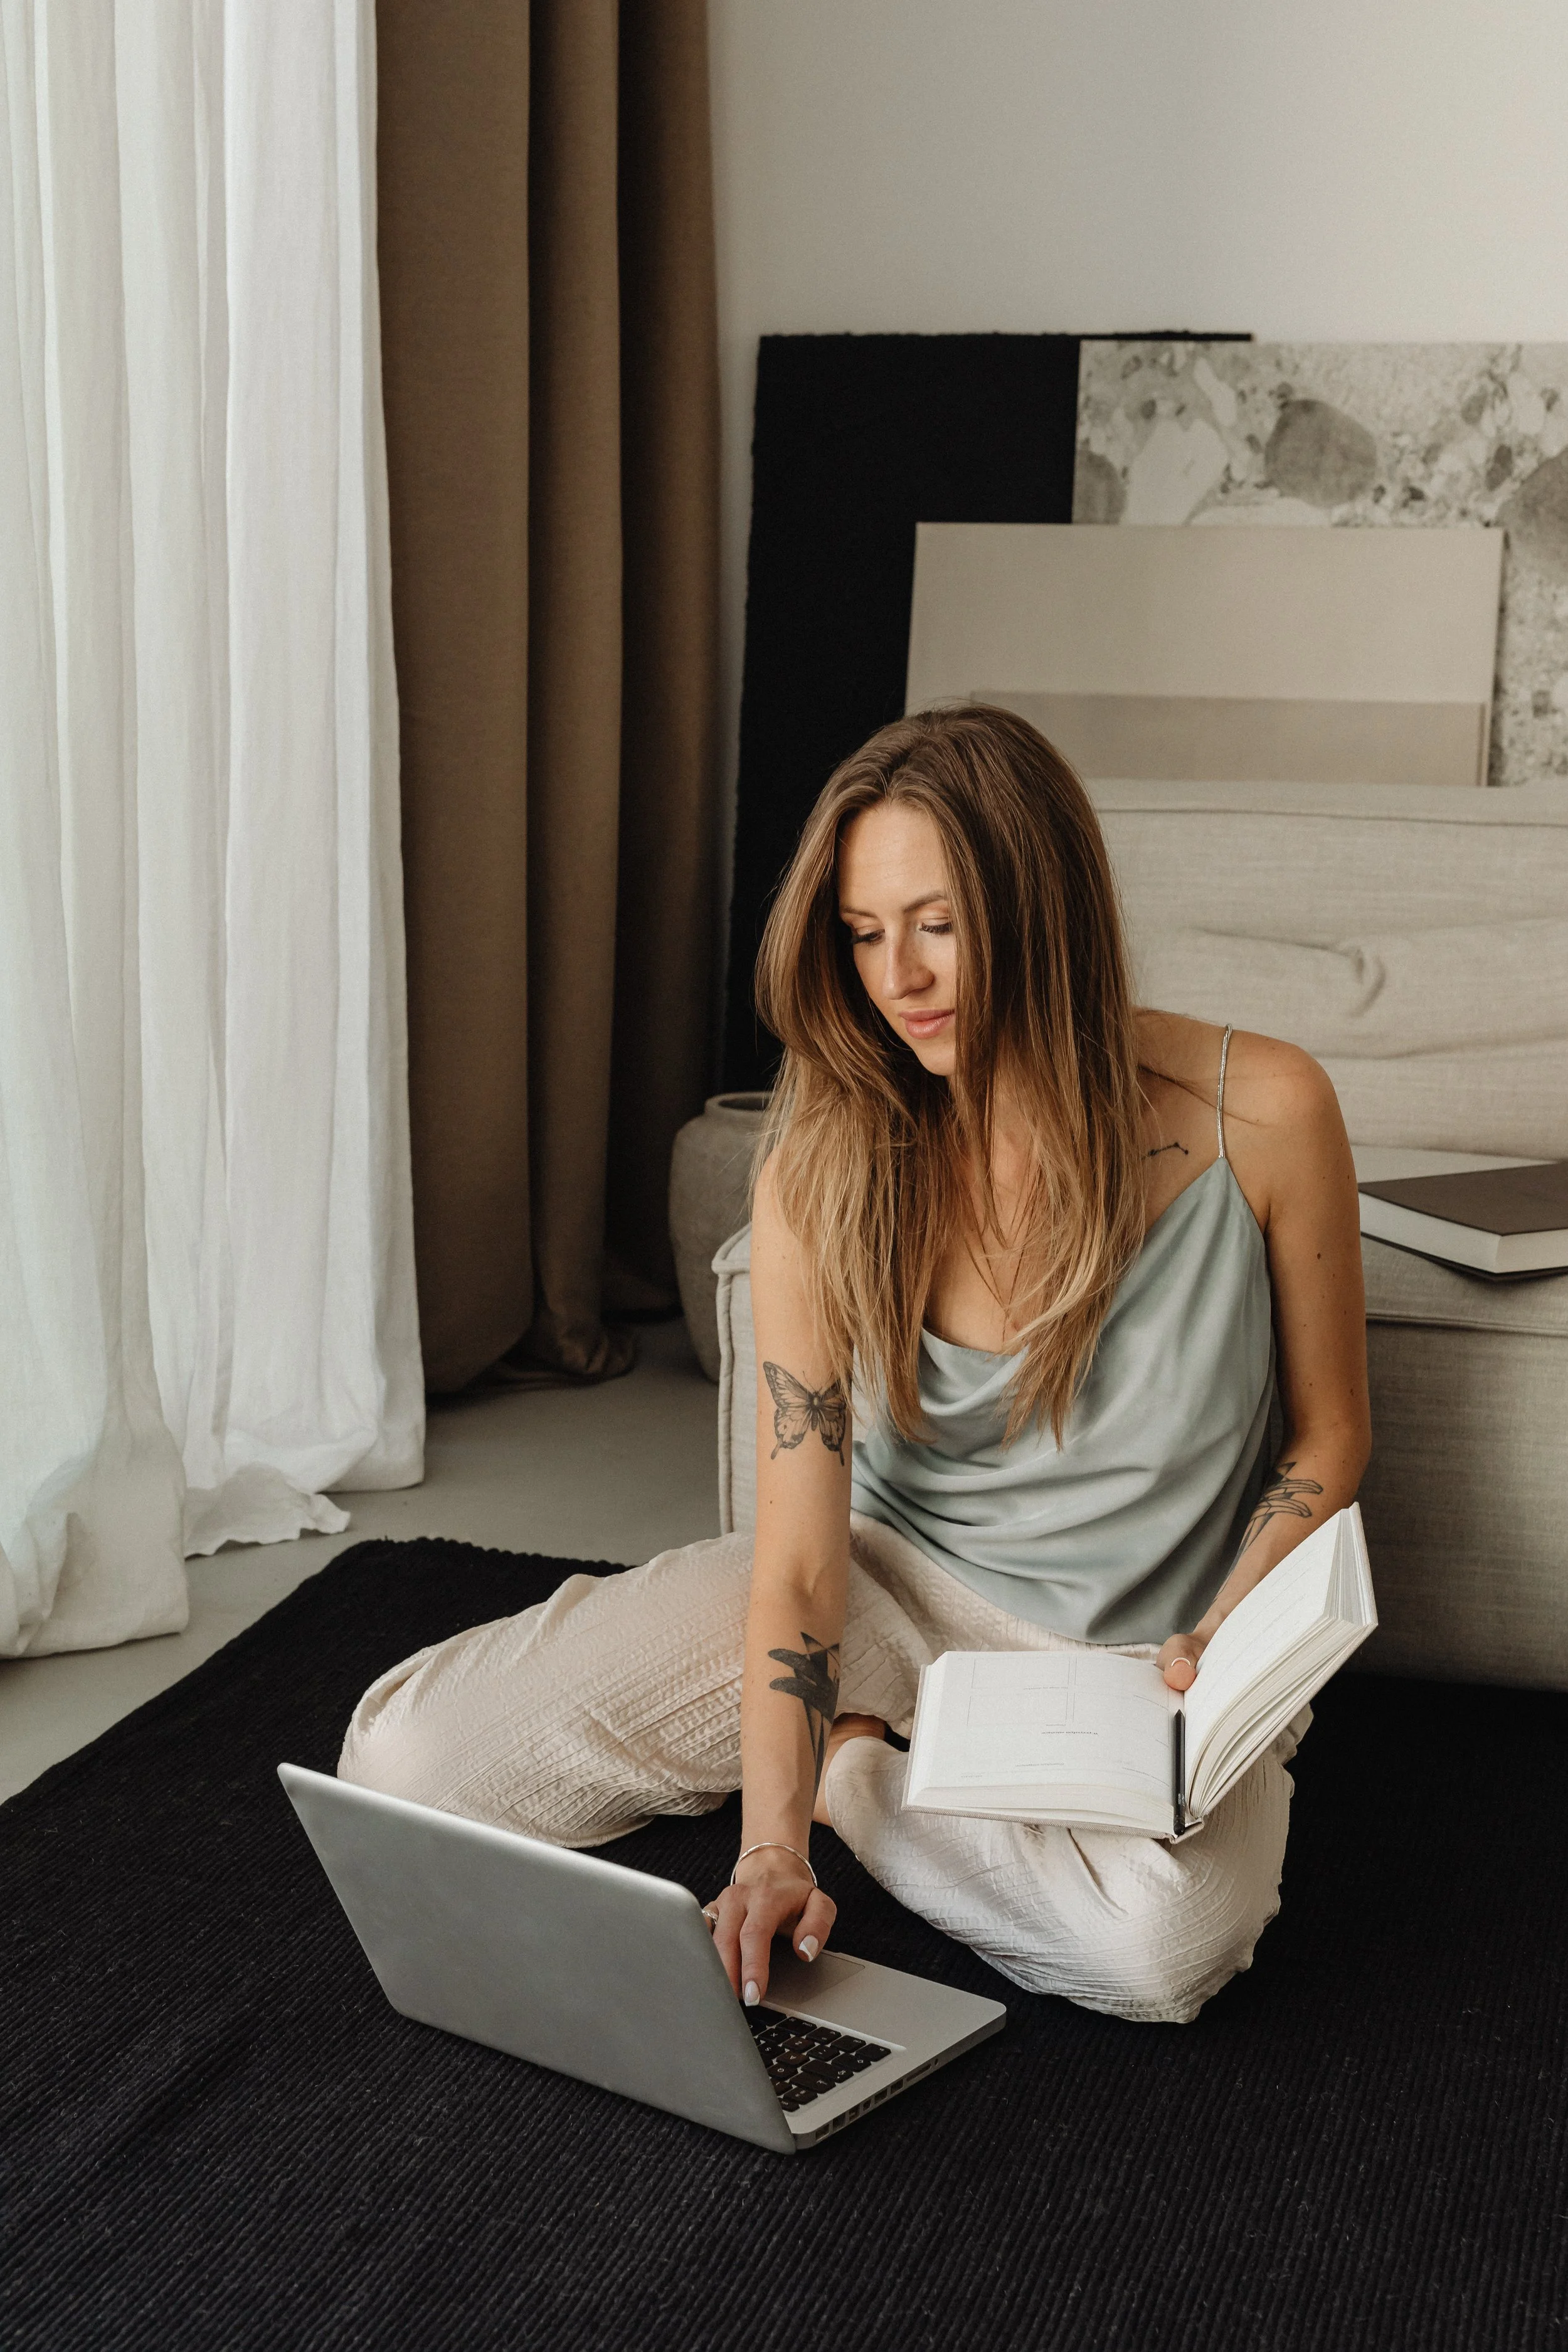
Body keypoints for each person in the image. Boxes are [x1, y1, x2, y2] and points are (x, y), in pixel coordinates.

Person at [339, 707, 1370, 2025]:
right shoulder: (823, 1168)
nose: (901, 980)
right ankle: (837, 1756)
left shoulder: (1264, 1109)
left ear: (1039, 905)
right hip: (883, 1597)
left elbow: (1327, 1437)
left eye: (936, 923)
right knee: (405, 1760)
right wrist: (769, 1851)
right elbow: (802, 1564)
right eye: (865, 934)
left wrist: (1221, 1638)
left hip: (1138, 1656)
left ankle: (861, 1778)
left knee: (1159, 1955)